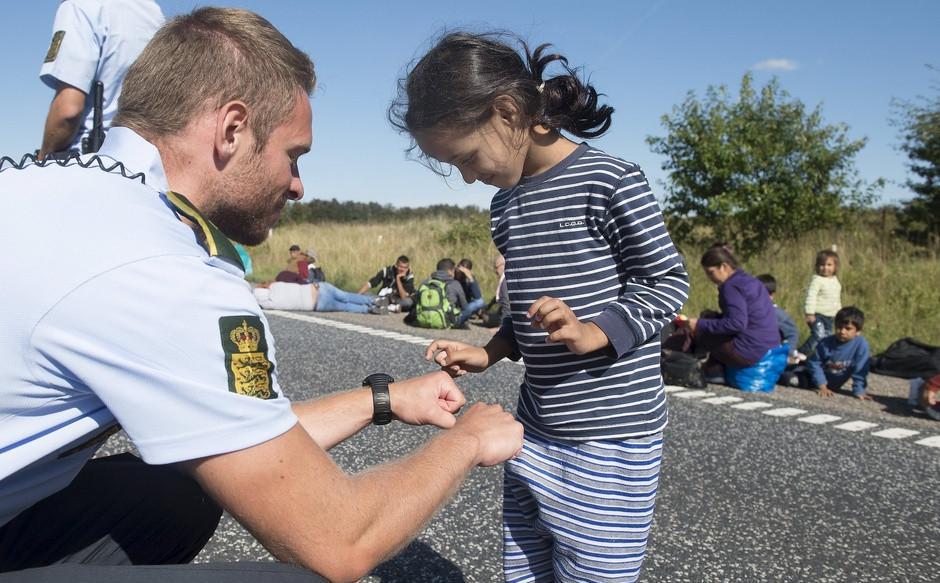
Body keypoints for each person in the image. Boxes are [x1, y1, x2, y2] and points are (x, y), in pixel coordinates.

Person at [1, 9, 524, 583]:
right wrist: (468, 442)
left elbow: (243, 439)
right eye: (293, 155)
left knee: (175, 492)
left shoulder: (60, 195)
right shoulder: (163, 266)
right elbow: (340, 540)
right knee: (299, 575)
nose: (299, 185)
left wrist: (385, 398)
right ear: (232, 129)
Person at [390, 32, 690, 582]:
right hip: (535, 428)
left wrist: (598, 331)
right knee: (526, 567)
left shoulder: (610, 181)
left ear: (507, 112)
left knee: (593, 572)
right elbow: (523, 305)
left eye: (466, 157)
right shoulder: (505, 206)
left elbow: (667, 281)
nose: (467, 176)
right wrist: (493, 352)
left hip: (610, 435)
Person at [38, 0, 165, 159]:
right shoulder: (153, 13)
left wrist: (42, 158)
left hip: (86, 161)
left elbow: (68, 111)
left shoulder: (79, 7)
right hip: (143, 161)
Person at [688, 246, 780, 376]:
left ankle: (699, 368)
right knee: (709, 318)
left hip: (749, 352)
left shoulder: (731, 287)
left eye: (711, 272)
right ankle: (714, 366)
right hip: (770, 348)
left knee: (701, 332)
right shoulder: (751, 281)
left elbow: (736, 323)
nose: (709, 278)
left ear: (724, 267)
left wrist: (699, 324)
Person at [806, 307, 872, 400]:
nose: (842, 331)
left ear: (858, 331)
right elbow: (814, 363)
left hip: (833, 385)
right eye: (839, 327)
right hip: (811, 377)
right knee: (790, 378)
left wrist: (859, 390)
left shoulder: (861, 345)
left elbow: (861, 369)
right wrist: (822, 385)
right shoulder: (826, 343)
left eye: (848, 329)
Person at [799, 249, 842, 356]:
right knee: (818, 334)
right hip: (818, 315)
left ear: (835, 266)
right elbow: (811, 296)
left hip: (831, 317)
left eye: (829, 265)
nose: (825, 268)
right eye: (822, 265)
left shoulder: (835, 280)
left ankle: (820, 358)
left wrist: (840, 313)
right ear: (817, 266)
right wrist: (809, 313)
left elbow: (837, 299)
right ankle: (801, 353)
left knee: (826, 338)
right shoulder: (817, 280)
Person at [756, 273, 804, 364]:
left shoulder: (776, 314)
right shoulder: (751, 311)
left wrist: (787, 351)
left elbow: (792, 332)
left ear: (771, 295)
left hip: (775, 355)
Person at [253, 280, 381, 314]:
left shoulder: (270, 304)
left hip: (316, 305)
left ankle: (369, 310)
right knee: (345, 296)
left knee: (345, 306)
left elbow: (259, 299)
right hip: (317, 288)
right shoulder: (275, 285)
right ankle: (374, 300)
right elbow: (263, 286)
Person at [454, 258, 485, 327]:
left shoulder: (468, 278)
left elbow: (478, 297)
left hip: (465, 304)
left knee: (481, 303)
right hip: (454, 304)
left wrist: (471, 279)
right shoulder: (452, 275)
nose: (461, 273)